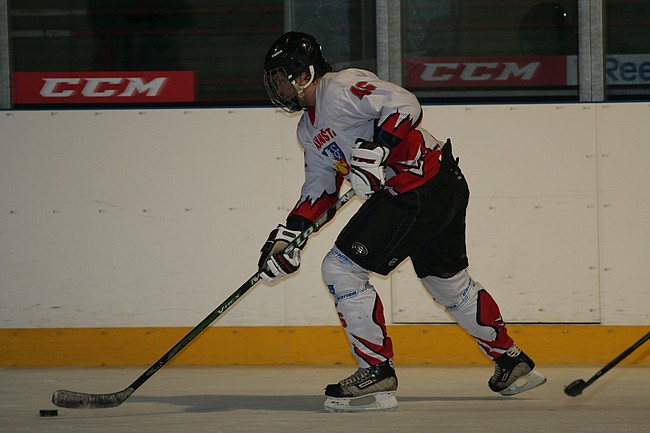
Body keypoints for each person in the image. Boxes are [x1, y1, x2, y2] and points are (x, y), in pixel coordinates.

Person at [258, 31, 546, 413]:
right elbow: (320, 190)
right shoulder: (307, 130)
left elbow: (403, 102)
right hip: (439, 184)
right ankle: (511, 360)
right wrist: (289, 238)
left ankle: (376, 371)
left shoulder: (339, 88)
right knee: (447, 284)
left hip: (417, 188)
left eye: (280, 77)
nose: (277, 87)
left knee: (340, 269)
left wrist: (378, 148)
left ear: (303, 72)